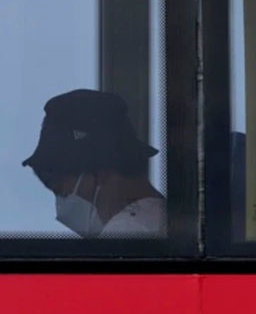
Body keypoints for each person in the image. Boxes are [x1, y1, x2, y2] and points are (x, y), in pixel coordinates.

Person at [23, 89, 166, 238]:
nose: (60, 204)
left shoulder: (125, 232)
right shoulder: (165, 219)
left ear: (101, 170)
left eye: (60, 190)